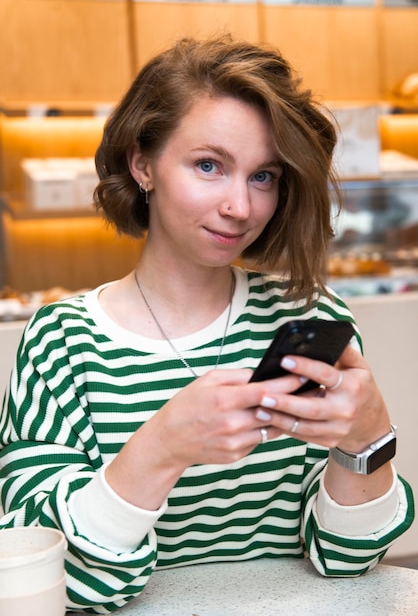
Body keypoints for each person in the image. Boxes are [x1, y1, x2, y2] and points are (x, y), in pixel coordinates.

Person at [0, 36, 414, 614]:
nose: (240, 207)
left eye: (263, 176)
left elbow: (346, 561)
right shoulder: (61, 342)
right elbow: (51, 576)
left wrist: (368, 439)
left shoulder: (310, 318)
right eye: (209, 165)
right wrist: (162, 447)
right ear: (142, 163)